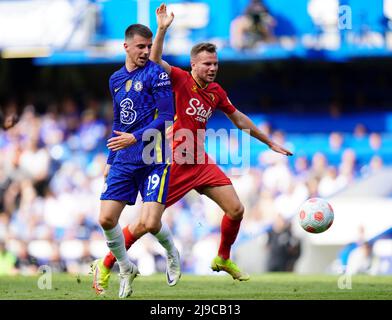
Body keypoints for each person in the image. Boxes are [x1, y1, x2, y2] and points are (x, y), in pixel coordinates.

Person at [93, 3, 292, 294]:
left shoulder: (216, 92)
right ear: (193, 65)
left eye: (216, 64)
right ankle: (107, 263)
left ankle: (223, 257)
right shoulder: (178, 78)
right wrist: (162, 29)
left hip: (198, 160)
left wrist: (269, 141)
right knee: (147, 223)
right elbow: (156, 59)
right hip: (172, 160)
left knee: (236, 209)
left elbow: (238, 118)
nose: (213, 69)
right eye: (207, 64)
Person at [92, 23, 175, 298]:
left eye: (149, 47)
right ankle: (126, 267)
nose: (146, 51)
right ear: (125, 46)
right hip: (124, 158)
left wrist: (134, 138)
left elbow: (166, 118)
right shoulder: (114, 79)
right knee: (105, 218)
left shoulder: (157, 74)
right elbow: (118, 121)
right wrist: (110, 158)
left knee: (150, 223)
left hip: (154, 155)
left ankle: (172, 252)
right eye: (141, 46)